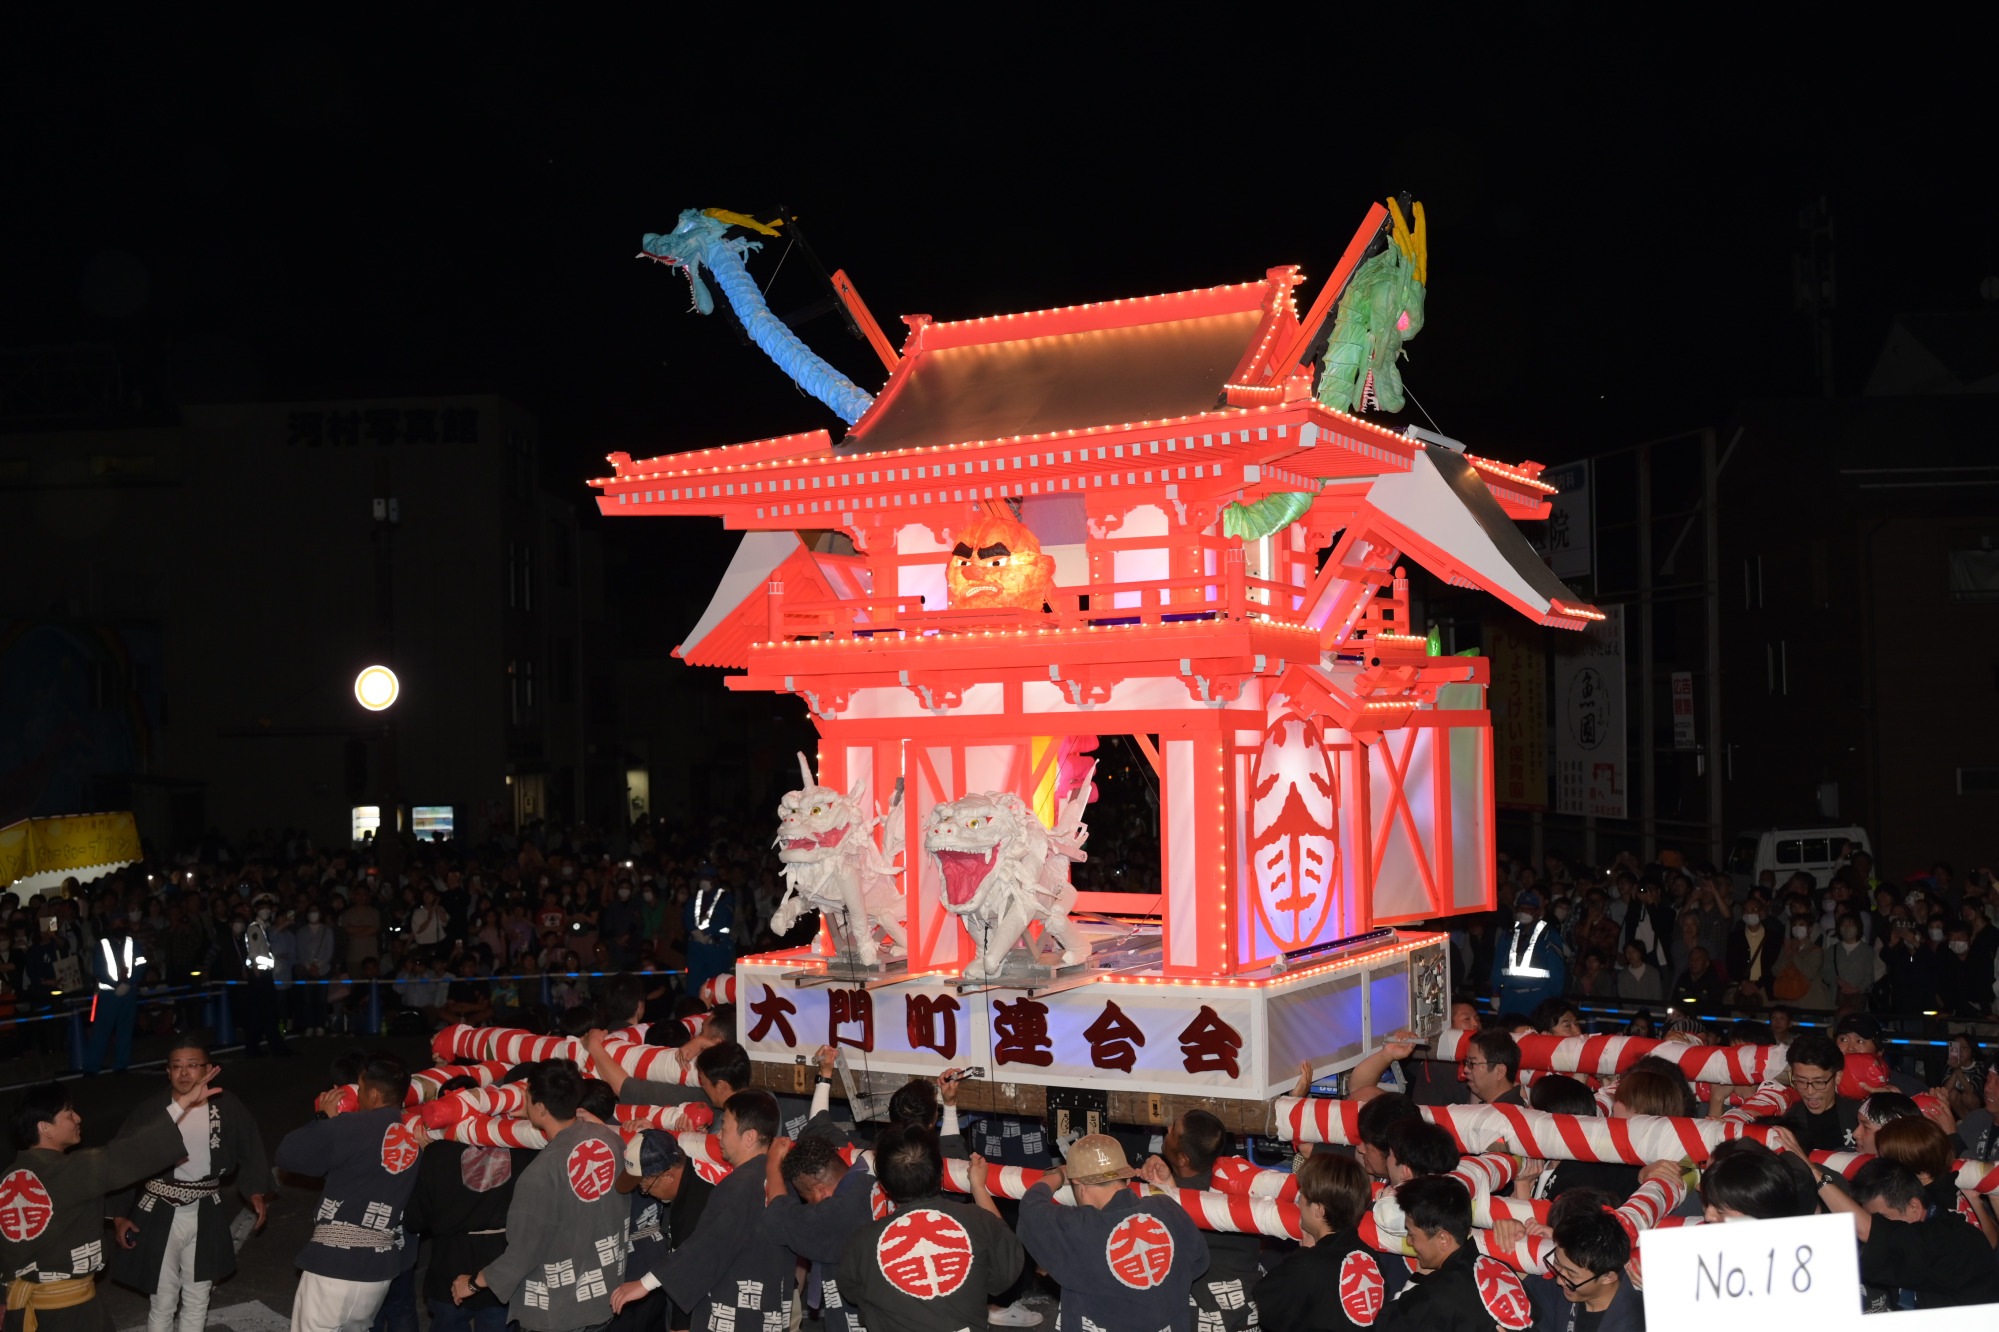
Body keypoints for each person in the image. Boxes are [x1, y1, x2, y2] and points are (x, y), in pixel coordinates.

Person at [0, 1076, 221, 1332]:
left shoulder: (7, 1179)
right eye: (68, 1112)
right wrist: (181, 1104)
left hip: (21, 1310)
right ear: (45, 1127)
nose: (78, 1118)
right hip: (70, 1316)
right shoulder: (71, 1170)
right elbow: (128, 1152)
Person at [107, 1041, 274, 1332]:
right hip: (159, 1210)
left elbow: (251, 1148)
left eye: (193, 1065)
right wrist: (120, 1215)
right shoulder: (153, 1110)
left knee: (198, 1296)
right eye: (176, 1066)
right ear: (168, 1072)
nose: (184, 1072)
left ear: (208, 1069)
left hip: (206, 1208)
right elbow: (124, 1159)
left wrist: (255, 1189)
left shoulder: (226, 1105)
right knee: (163, 1299)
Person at [451, 1060, 626, 1332]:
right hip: (604, 1293)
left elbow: (522, 1253)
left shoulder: (540, 1173)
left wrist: (473, 1283)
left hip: (560, 1311)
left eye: (528, 1095)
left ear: (541, 1108)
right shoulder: (609, 1138)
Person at [611, 1091, 793, 1332]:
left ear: (749, 1137)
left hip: (736, 1315)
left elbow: (708, 1245)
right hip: (767, 1306)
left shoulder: (739, 1185)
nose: (718, 1135)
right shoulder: (780, 1180)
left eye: (725, 1127)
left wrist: (645, 1283)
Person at [274, 1054, 425, 1332]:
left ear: (374, 1093)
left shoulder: (350, 1126)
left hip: (335, 1265)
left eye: (361, 1088)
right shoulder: (414, 1134)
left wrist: (323, 1118)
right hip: (378, 1271)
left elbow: (288, 1155)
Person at [835, 1125, 1027, 1332]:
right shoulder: (978, 1220)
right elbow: (1008, 1267)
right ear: (940, 1172)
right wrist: (979, 1188)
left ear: (883, 1184)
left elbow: (853, 1293)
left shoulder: (863, 1241)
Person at [1017, 1134, 1207, 1332]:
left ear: (1080, 1186)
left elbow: (1031, 1206)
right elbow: (1199, 1263)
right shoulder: (1167, 1207)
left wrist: (1058, 1174)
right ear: (1126, 1177)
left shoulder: (1078, 1227)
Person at [402, 1077, 534, 1332]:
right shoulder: (519, 1142)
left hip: (450, 1261)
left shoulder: (436, 1155)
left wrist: (427, 1158)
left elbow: (414, 1220)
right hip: (501, 1262)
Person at [1812, 1157, 1999, 1309]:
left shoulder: (1954, 1239)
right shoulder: (1919, 1227)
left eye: (1882, 1218)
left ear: (1914, 1207)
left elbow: (1868, 1231)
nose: (1879, 1225)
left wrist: (1818, 1178)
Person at [1137, 1111, 1260, 1330]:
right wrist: (1169, 1183)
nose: (1168, 1129)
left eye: (1174, 1129)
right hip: (1249, 1310)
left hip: (1211, 1318)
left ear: (1183, 1158)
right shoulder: (1238, 1181)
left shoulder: (1172, 1205)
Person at [1245, 1153, 1388, 1330]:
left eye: (1302, 1197)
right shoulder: (1370, 1257)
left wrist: (1304, 1252)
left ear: (1319, 1210)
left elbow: (1264, 1306)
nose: (1298, 1204)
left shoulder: (1308, 1265)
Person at [1375, 1175, 1531, 1332]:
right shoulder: (1500, 1268)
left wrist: (1418, 1278)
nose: (1409, 1242)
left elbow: (1383, 1325)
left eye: (1412, 1234)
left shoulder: (1437, 1293)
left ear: (1443, 1239)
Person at [761, 1134, 877, 1332]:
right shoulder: (871, 1183)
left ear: (819, 1191)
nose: (809, 1206)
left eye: (806, 1199)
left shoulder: (836, 1214)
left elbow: (781, 1216)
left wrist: (773, 1164)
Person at [1519, 1203, 1643, 1332]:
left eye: (1572, 1275)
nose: (1559, 1280)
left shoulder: (1632, 1323)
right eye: (1557, 1263)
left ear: (1608, 1277)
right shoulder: (1563, 1282)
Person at [82, 918, 147, 1074]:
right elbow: (99, 969)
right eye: (115, 924)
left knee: (125, 1030)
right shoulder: (102, 945)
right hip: (108, 994)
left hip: (129, 992)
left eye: (121, 923)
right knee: (101, 1031)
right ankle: (91, 1068)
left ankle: (121, 1065)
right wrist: (117, 984)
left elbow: (141, 964)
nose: (119, 926)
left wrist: (129, 983)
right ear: (109, 927)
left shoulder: (134, 944)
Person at [1778, 1031, 1861, 1151]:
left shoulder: (1858, 1116)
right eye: (1801, 1081)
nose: (1810, 1091)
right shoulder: (1788, 1119)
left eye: (1819, 1082)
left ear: (1837, 1077)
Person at [1492, 891, 1566, 1013]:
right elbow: (1498, 963)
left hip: (1537, 997)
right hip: (1509, 996)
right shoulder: (1509, 933)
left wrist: (1554, 999)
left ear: (1537, 912)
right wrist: (1495, 992)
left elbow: (1557, 970)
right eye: (1520, 908)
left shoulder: (1548, 934)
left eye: (1528, 909)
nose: (1523, 912)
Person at [1835, 1014, 1923, 1095]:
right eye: (1844, 1040)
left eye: (1860, 1041)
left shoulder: (1906, 1089)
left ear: (1879, 1053)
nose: (1851, 1048)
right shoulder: (1825, 1084)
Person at [681, 874, 735, 998]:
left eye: (707, 878)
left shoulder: (725, 897)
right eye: (701, 878)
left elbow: (724, 918)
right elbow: (687, 916)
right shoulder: (695, 897)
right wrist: (695, 931)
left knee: (717, 988)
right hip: (696, 948)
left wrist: (707, 931)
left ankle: (718, 1015)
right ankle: (695, 1013)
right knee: (694, 987)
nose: (703, 881)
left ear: (714, 880)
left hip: (716, 948)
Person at [1463, 1030, 1525, 1106]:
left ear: (1499, 1071)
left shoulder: (1505, 1115)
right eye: (1466, 1062)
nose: (1465, 1069)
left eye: (1472, 1063)